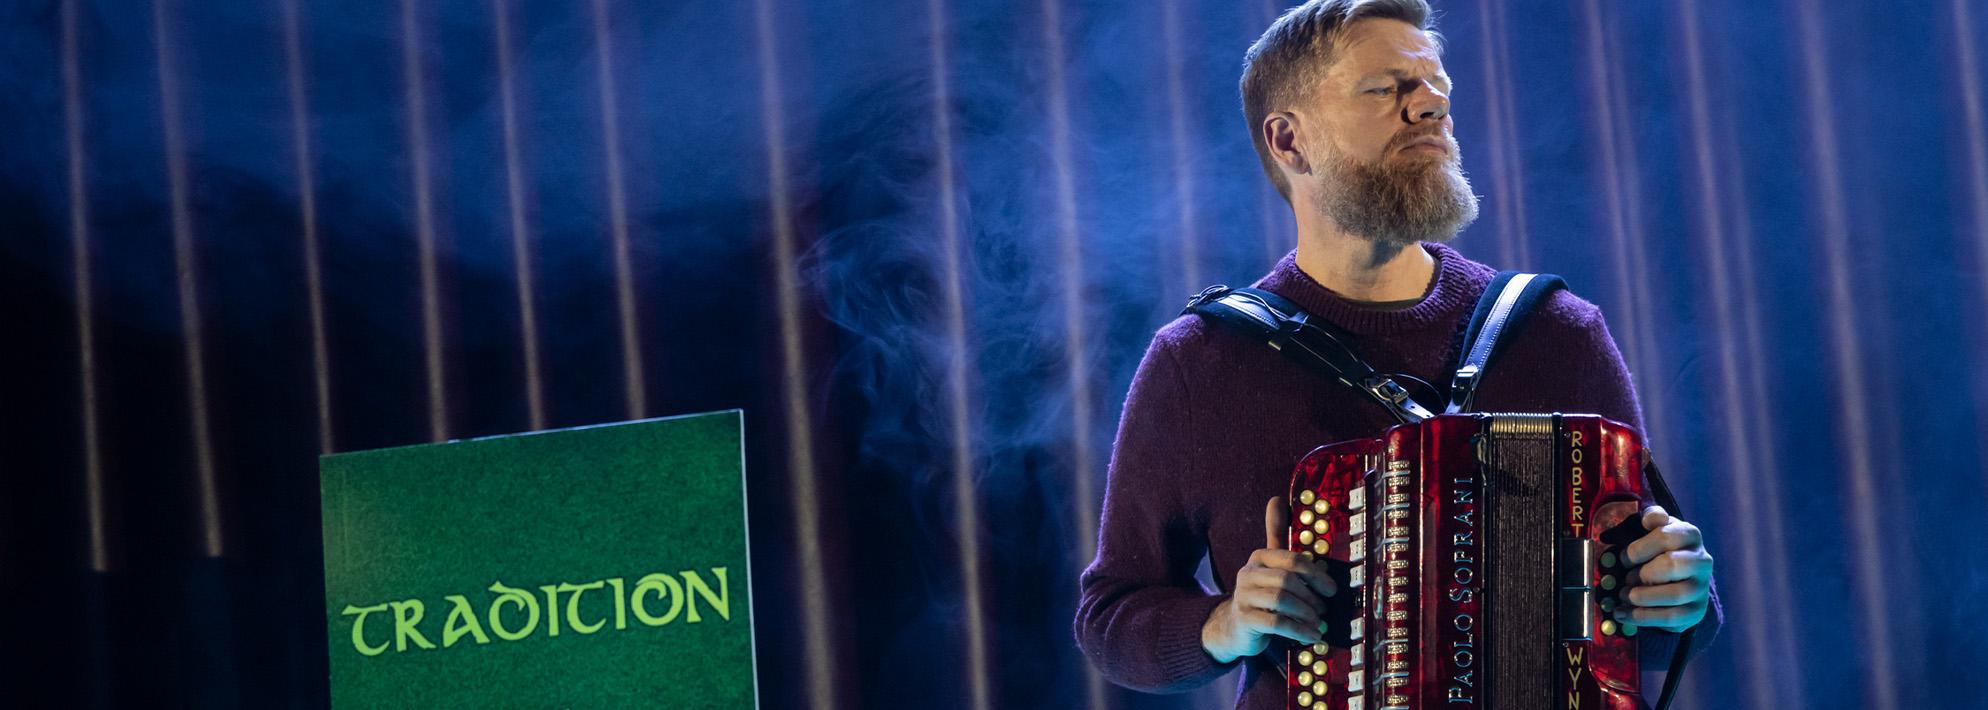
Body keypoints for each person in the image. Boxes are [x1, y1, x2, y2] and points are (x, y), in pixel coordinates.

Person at [1071, 1, 1721, 706]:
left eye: (1435, 87)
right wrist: (1224, 624)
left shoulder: (1556, 332)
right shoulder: (1200, 362)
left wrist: (1680, 594)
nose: (1430, 107)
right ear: (1291, 142)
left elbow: (1657, 626)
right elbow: (1111, 620)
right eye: (1386, 90)